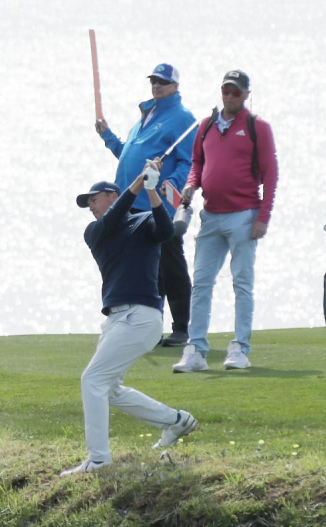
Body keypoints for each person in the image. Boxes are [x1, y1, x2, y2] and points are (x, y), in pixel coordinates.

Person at [61, 161, 198, 477]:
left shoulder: (144, 221)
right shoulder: (95, 231)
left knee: (92, 380)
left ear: (112, 195)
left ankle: (98, 459)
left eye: (94, 199)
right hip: (114, 321)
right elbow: (112, 221)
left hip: (141, 317)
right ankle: (175, 421)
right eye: (89, 203)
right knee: (109, 389)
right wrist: (140, 182)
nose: (91, 206)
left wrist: (151, 190)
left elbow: (165, 231)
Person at [173, 70, 278, 372]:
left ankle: (240, 348)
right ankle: (196, 350)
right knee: (201, 283)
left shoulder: (257, 127)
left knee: (242, 282)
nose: (230, 96)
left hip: (244, 215)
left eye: (236, 92)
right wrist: (192, 183)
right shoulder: (206, 126)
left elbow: (270, 175)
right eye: (226, 91)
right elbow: (197, 162)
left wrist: (263, 217)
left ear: (246, 95)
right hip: (211, 215)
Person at [96, 63, 196, 348]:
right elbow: (129, 156)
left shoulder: (182, 118)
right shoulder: (146, 115)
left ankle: (181, 329)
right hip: (131, 205)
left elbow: (188, 161)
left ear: (175, 86)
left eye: (163, 82)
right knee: (146, 273)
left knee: (171, 266)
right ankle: (149, 329)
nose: (157, 86)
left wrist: (171, 183)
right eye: (154, 81)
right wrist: (107, 137)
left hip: (157, 206)